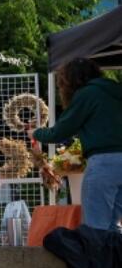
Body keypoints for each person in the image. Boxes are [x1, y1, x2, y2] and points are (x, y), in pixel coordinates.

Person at [32, 58, 122, 231]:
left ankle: (98, 259)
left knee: (96, 227)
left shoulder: (87, 94)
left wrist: (36, 133)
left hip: (103, 165)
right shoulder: (116, 90)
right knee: (114, 225)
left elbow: (59, 132)